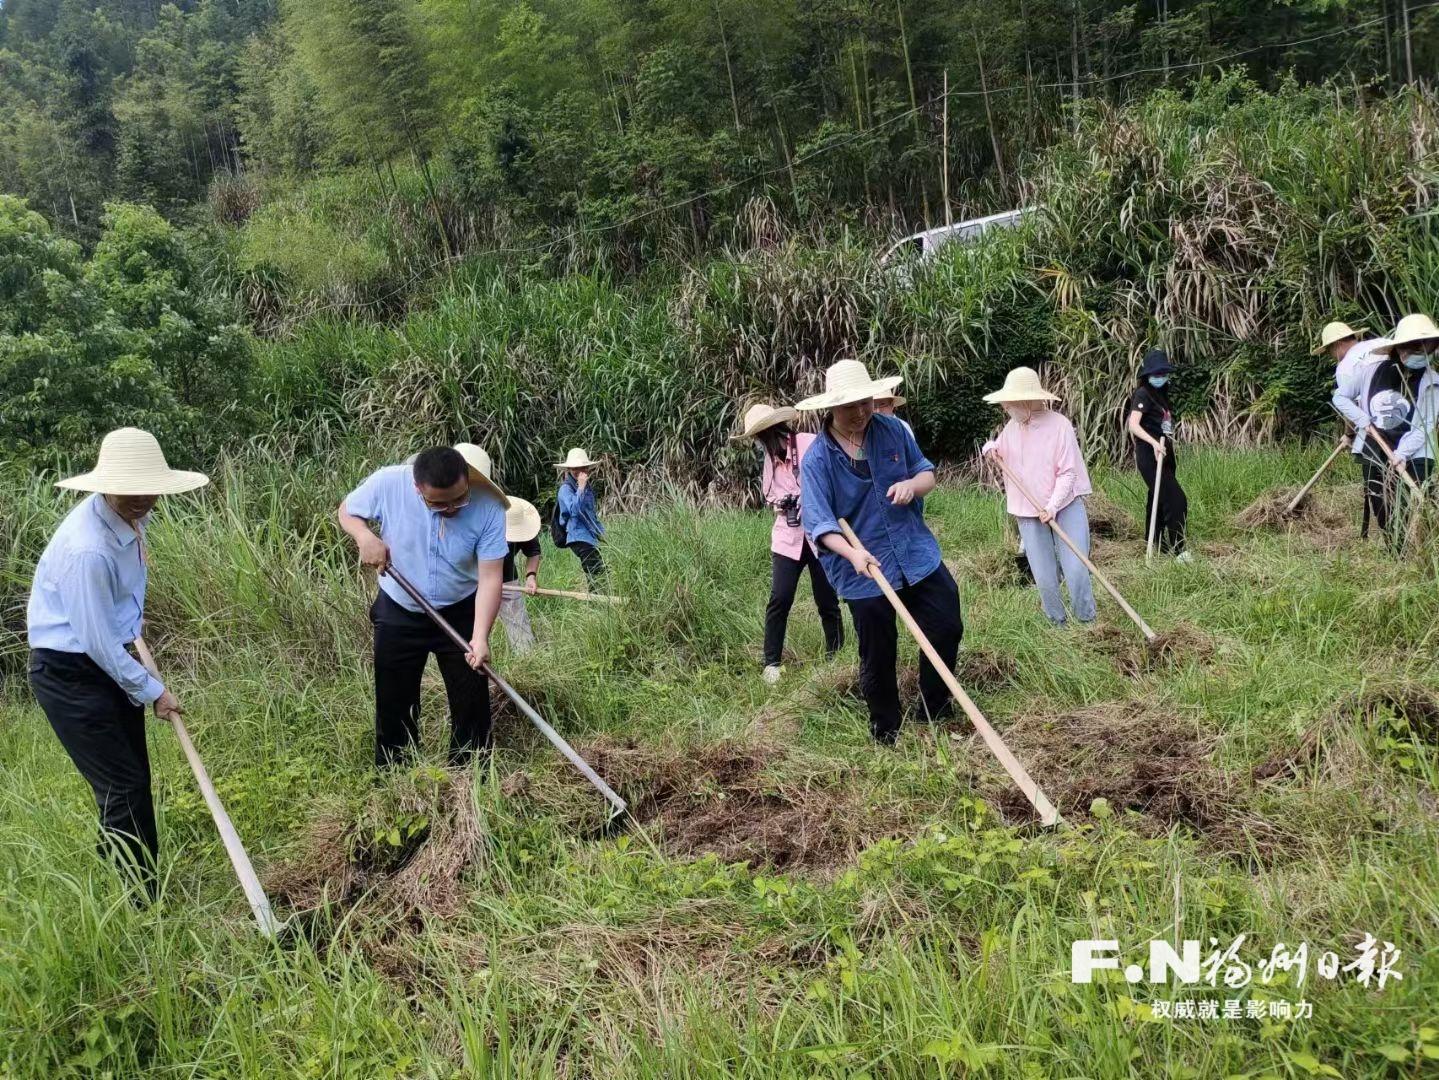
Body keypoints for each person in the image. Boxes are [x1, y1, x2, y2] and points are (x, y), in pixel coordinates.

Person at [27, 428, 209, 895]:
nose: (143, 498)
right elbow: (97, 642)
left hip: (107, 656)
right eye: (130, 488)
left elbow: (116, 618)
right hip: (70, 671)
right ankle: (141, 903)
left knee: (131, 779)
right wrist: (154, 691)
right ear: (106, 483)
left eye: (149, 487)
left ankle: (128, 878)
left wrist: (134, 628)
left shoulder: (129, 514)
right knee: (122, 786)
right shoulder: (87, 548)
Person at [796, 360, 963, 746]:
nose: (860, 413)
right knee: (877, 648)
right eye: (850, 405)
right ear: (831, 408)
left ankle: (933, 708)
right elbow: (819, 524)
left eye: (865, 402)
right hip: (860, 566)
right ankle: (886, 728)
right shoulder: (818, 459)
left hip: (913, 550)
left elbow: (927, 473)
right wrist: (853, 555)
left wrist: (911, 485)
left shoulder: (892, 431)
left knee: (946, 623)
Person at [338, 446, 508, 767]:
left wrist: (481, 635)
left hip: (460, 609)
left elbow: (489, 578)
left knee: (471, 699)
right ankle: (396, 775)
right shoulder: (388, 484)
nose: (452, 508)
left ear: (466, 480)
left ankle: (469, 775)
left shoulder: (488, 507)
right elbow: (347, 510)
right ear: (418, 489)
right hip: (399, 608)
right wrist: (364, 537)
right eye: (438, 503)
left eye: (459, 499)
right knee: (394, 699)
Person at [732, 402, 844, 684]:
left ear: (771, 432)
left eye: (761, 438)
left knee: (827, 600)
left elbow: (831, 480)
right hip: (787, 537)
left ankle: (837, 656)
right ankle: (771, 663)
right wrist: (784, 504)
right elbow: (770, 497)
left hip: (819, 534)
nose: (760, 444)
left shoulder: (808, 443)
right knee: (779, 599)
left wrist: (807, 499)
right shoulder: (770, 460)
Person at [981, 367, 1097, 626]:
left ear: (1027, 399)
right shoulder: (1012, 427)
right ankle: (1057, 625)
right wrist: (990, 448)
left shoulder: (1060, 426)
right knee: (1044, 576)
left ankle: (1087, 622)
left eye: (1010, 403)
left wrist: (1052, 506)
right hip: (1028, 511)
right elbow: (998, 448)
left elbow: (1068, 473)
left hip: (1064, 506)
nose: (1006, 408)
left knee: (1077, 568)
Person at [1338, 314, 1439, 539]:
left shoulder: (1434, 383)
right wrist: (1362, 420)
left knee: (1406, 506)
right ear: (1400, 348)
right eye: (1415, 347)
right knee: (1382, 507)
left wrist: (1401, 454)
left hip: (1416, 452)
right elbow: (1341, 398)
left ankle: (1417, 553)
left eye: (1427, 347)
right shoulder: (1371, 370)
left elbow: (1424, 427)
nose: (1421, 353)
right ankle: (1397, 554)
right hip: (1375, 446)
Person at [1324, 321, 1392, 539]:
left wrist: (1350, 434)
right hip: (1407, 421)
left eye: (1329, 351)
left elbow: (1350, 407)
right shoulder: (1383, 344)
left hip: (1374, 430)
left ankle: (1394, 540)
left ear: (1338, 344)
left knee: (1377, 487)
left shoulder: (1345, 367)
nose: (1332, 355)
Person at [1126, 348, 1191, 562]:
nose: (1160, 378)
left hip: (1165, 452)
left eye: (1163, 374)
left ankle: (1154, 542)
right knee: (1176, 499)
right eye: (1156, 374)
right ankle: (1179, 549)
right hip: (1149, 453)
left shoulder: (1162, 394)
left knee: (1158, 497)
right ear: (1147, 375)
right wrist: (1153, 442)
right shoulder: (1143, 393)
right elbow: (1133, 425)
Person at [555, 448, 606, 586]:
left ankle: (596, 603)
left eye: (582, 467)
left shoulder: (587, 487)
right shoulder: (565, 489)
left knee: (600, 574)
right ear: (569, 469)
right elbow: (575, 511)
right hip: (578, 536)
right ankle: (597, 603)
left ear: (587, 468)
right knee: (596, 573)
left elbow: (591, 514)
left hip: (591, 536)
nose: (579, 471)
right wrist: (581, 488)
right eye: (575, 468)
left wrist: (601, 533)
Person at [501, 495, 543, 654]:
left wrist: (531, 576)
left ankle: (525, 659)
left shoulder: (518, 518)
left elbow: (533, 551)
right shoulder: (479, 523)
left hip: (507, 579)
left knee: (519, 627)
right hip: (474, 581)